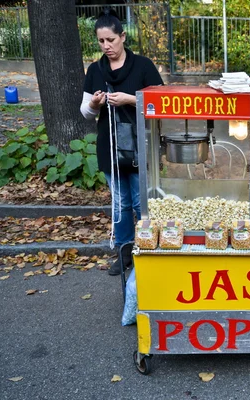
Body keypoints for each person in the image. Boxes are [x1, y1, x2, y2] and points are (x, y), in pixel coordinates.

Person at [80, 8, 163, 275]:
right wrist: (94, 103)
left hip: (141, 145)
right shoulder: (95, 70)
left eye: (111, 40)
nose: (106, 46)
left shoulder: (144, 66)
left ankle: (149, 248)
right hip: (110, 145)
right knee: (121, 203)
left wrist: (131, 99)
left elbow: (161, 104)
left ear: (123, 36)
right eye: (101, 41)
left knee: (142, 203)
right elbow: (85, 112)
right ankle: (124, 251)